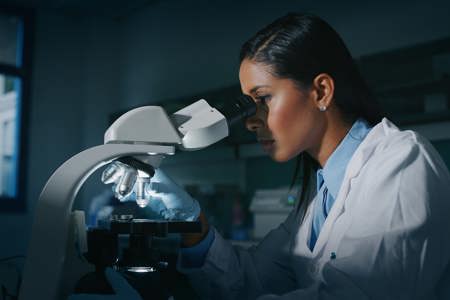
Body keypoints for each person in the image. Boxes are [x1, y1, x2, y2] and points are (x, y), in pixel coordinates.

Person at [74, 13, 450, 299]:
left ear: (320, 91)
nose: (252, 122)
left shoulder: (401, 163)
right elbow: (248, 278)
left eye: (263, 99)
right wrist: (189, 219)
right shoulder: (318, 200)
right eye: (247, 105)